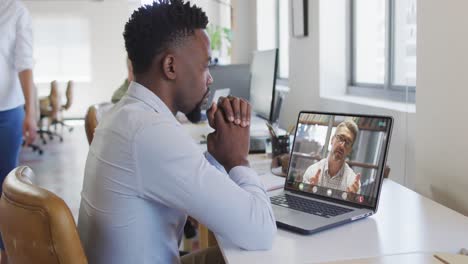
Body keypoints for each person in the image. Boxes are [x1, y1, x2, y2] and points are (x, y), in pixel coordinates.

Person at [77, 1, 276, 263]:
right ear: (170, 66)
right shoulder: (150, 132)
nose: (210, 79)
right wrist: (238, 159)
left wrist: (216, 156)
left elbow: (187, 181)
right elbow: (261, 232)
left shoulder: (126, 115)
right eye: (205, 66)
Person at [0, 0, 37, 263]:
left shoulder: (15, 11)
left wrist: (31, 112)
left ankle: (5, 252)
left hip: (7, 112)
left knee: (4, 187)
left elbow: (24, 64)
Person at [302, 120, 361, 194]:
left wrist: (351, 201)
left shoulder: (352, 182)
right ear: (332, 139)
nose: (342, 145)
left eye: (348, 142)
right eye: (340, 138)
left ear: (350, 150)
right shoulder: (312, 172)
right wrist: (308, 192)